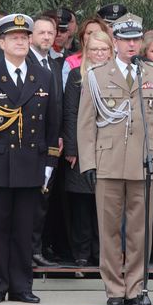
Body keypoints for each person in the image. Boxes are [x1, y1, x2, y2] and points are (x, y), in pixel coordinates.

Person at [77, 13, 153, 305]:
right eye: (126, 39)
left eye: (136, 39)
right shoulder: (96, 75)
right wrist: (89, 163)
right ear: (114, 42)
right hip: (108, 161)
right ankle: (114, 289)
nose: (132, 45)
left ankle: (136, 287)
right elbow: (85, 124)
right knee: (108, 230)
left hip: (144, 162)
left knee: (139, 231)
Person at [0, 13, 59, 304]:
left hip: (31, 162)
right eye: (14, 38)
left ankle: (21, 286)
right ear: (1, 42)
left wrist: (49, 163)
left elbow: (51, 123)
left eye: (24, 38)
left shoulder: (43, 76)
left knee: (24, 229)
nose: (20, 42)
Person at [62, 31, 114, 266]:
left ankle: (101, 250)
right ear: (87, 52)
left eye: (104, 50)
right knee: (82, 202)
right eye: (95, 50)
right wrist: (72, 149)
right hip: (83, 147)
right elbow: (71, 113)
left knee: (105, 203)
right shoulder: (76, 76)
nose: (100, 54)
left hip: (111, 147)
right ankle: (82, 251)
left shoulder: (118, 76)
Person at [27, 15, 65, 266]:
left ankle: (35, 249)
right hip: (25, 142)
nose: (46, 37)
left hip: (49, 143)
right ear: (31, 36)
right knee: (25, 199)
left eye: (50, 33)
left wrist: (58, 135)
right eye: (41, 33)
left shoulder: (55, 65)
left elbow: (57, 106)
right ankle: (23, 250)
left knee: (42, 199)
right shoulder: (24, 62)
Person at [61, 16, 110, 89]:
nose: (93, 36)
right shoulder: (71, 62)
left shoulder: (114, 61)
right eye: (89, 33)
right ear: (82, 37)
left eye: (98, 33)